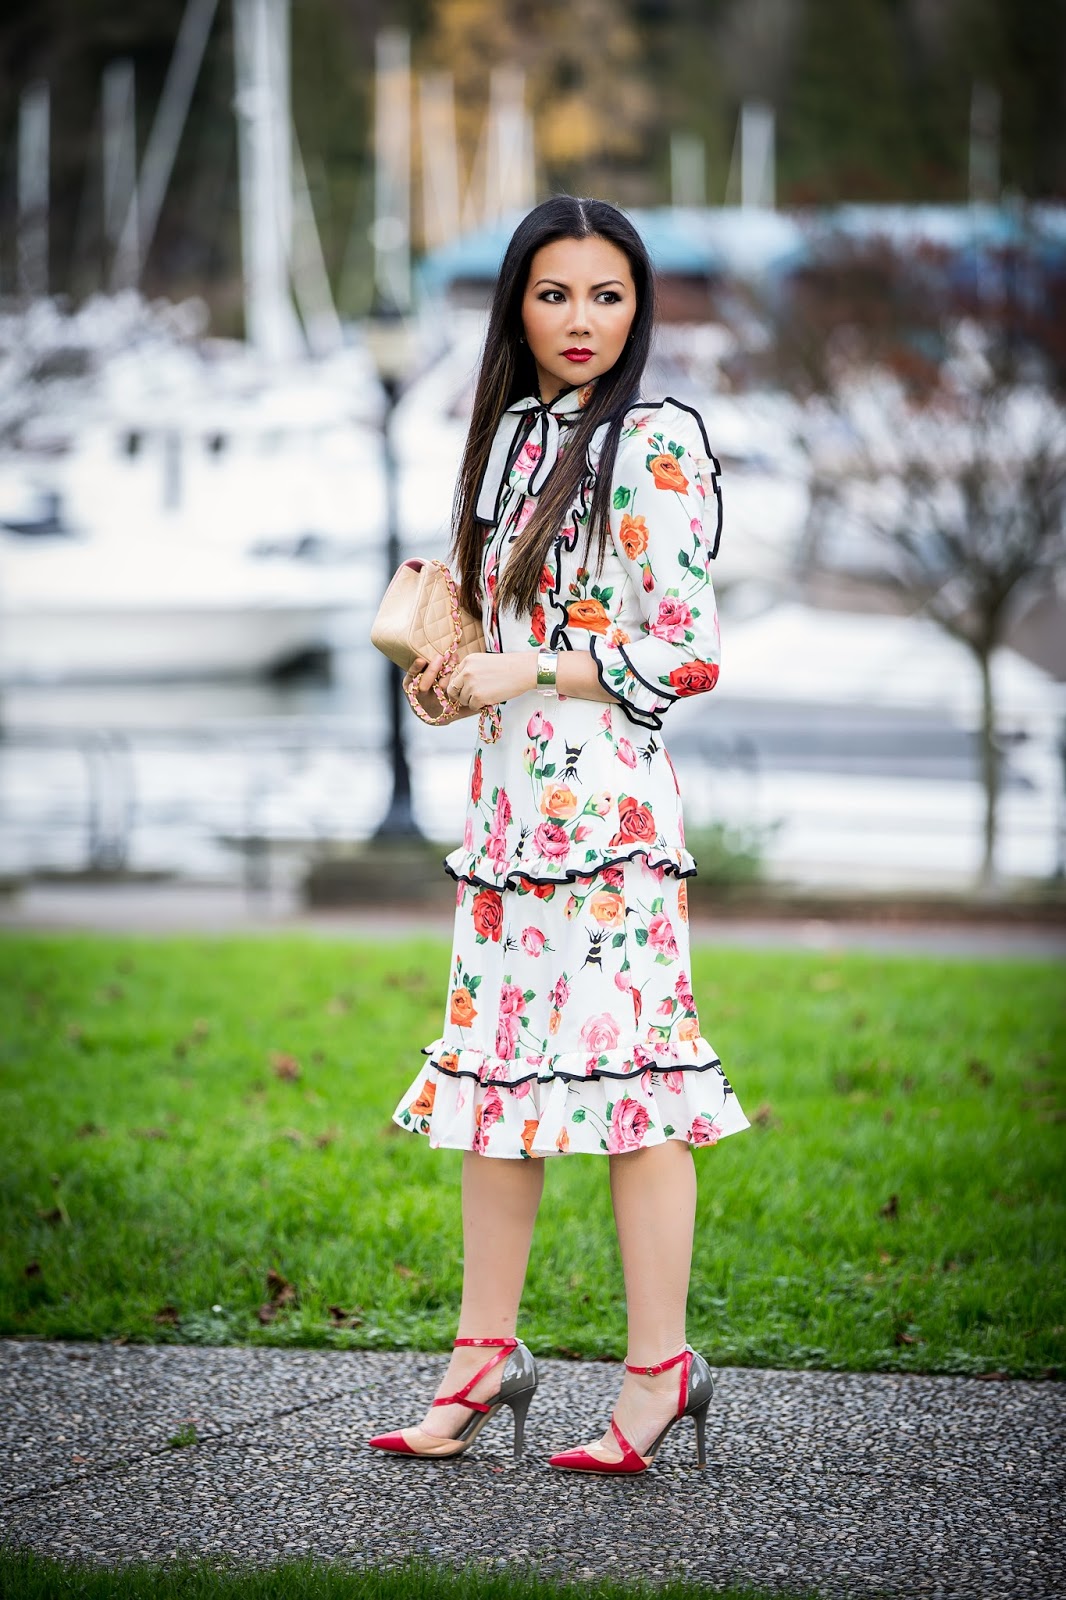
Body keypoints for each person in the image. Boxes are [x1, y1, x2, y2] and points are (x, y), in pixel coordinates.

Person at [369, 195, 750, 1474]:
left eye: (606, 295)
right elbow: (485, 637)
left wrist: (524, 671)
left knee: (637, 1091)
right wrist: (448, 673)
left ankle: (660, 1371)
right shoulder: (505, 441)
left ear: (638, 306)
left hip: (613, 818)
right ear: (514, 307)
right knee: (496, 1087)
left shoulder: (655, 440)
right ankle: (485, 1353)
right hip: (508, 816)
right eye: (552, 294)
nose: (580, 320)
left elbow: (685, 653)